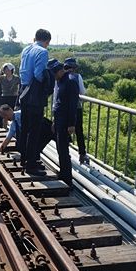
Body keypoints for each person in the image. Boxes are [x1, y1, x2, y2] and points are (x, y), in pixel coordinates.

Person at [18, 29, 52, 176]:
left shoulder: (26, 49)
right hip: (35, 95)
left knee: (25, 128)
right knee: (34, 130)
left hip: (23, 92)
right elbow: (39, 75)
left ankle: (24, 159)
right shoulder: (42, 52)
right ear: (47, 41)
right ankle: (31, 165)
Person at [50, 59, 79, 188]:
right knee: (60, 149)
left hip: (66, 120)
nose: (53, 77)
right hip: (59, 119)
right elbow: (58, 101)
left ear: (60, 71)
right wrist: (55, 121)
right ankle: (63, 174)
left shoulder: (71, 81)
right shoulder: (60, 81)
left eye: (54, 74)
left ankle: (68, 180)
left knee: (64, 150)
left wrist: (71, 124)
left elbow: (73, 105)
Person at [63, 58, 89, 165]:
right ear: (74, 67)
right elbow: (82, 92)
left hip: (63, 108)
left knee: (64, 131)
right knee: (79, 131)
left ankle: (65, 153)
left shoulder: (61, 77)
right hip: (76, 108)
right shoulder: (78, 77)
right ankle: (82, 154)